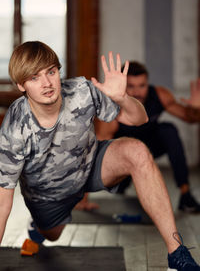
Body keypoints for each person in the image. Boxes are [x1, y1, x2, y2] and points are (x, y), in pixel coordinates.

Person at [0, 41, 199, 270]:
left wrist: (123, 97)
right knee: (52, 235)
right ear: (21, 85)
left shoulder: (82, 91)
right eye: (34, 78)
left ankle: (177, 253)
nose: (46, 83)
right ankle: (39, 226)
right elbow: (3, 202)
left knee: (137, 151)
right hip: (48, 194)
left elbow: (139, 119)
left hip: (90, 165)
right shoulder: (14, 129)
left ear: (58, 71)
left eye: (51, 72)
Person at [95, 61, 200, 213]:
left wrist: (196, 109)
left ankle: (185, 194)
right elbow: (96, 151)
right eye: (131, 86)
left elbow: (189, 118)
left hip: (149, 147)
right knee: (119, 187)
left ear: (147, 83)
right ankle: (122, 185)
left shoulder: (159, 95)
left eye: (142, 85)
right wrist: (81, 197)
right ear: (123, 85)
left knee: (168, 130)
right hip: (123, 156)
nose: (137, 92)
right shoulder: (112, 107)